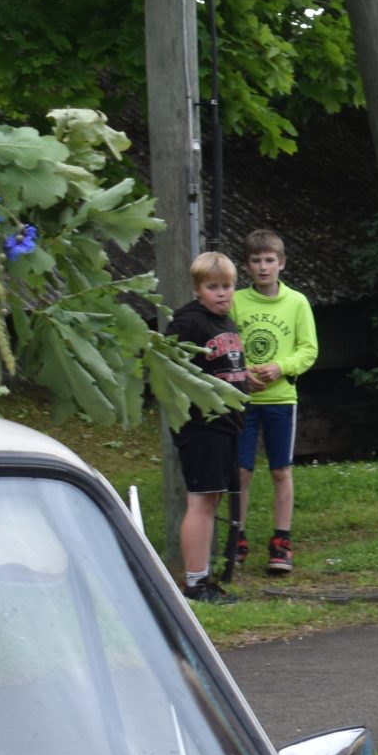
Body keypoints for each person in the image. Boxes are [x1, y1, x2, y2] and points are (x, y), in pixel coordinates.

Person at [168, 252, 255, 604]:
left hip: (228, 425)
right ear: (197, 289)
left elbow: (222, 367)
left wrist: (245, 378)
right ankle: (195, 584)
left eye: (227, 286)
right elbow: (170, 369)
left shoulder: (226, 322)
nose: (222, 293)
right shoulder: (188, 323)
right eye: (213, 287)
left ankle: (203, 577)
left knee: (212, 498)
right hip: (203, 425)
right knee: (201, 501)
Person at [231, 228, 317, 574]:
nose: (263, 267)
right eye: (256, 261)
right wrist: (241, 373)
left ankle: (282, 541)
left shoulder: (297, 302)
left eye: (269, 260)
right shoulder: (236, 301)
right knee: (241, 471)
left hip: (281, 399)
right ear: (247, 266)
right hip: (243, 399)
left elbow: (308, 349)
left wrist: (281, 367)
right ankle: (236, 537)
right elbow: (226, 345)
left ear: (281, 263)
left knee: (281, 470)